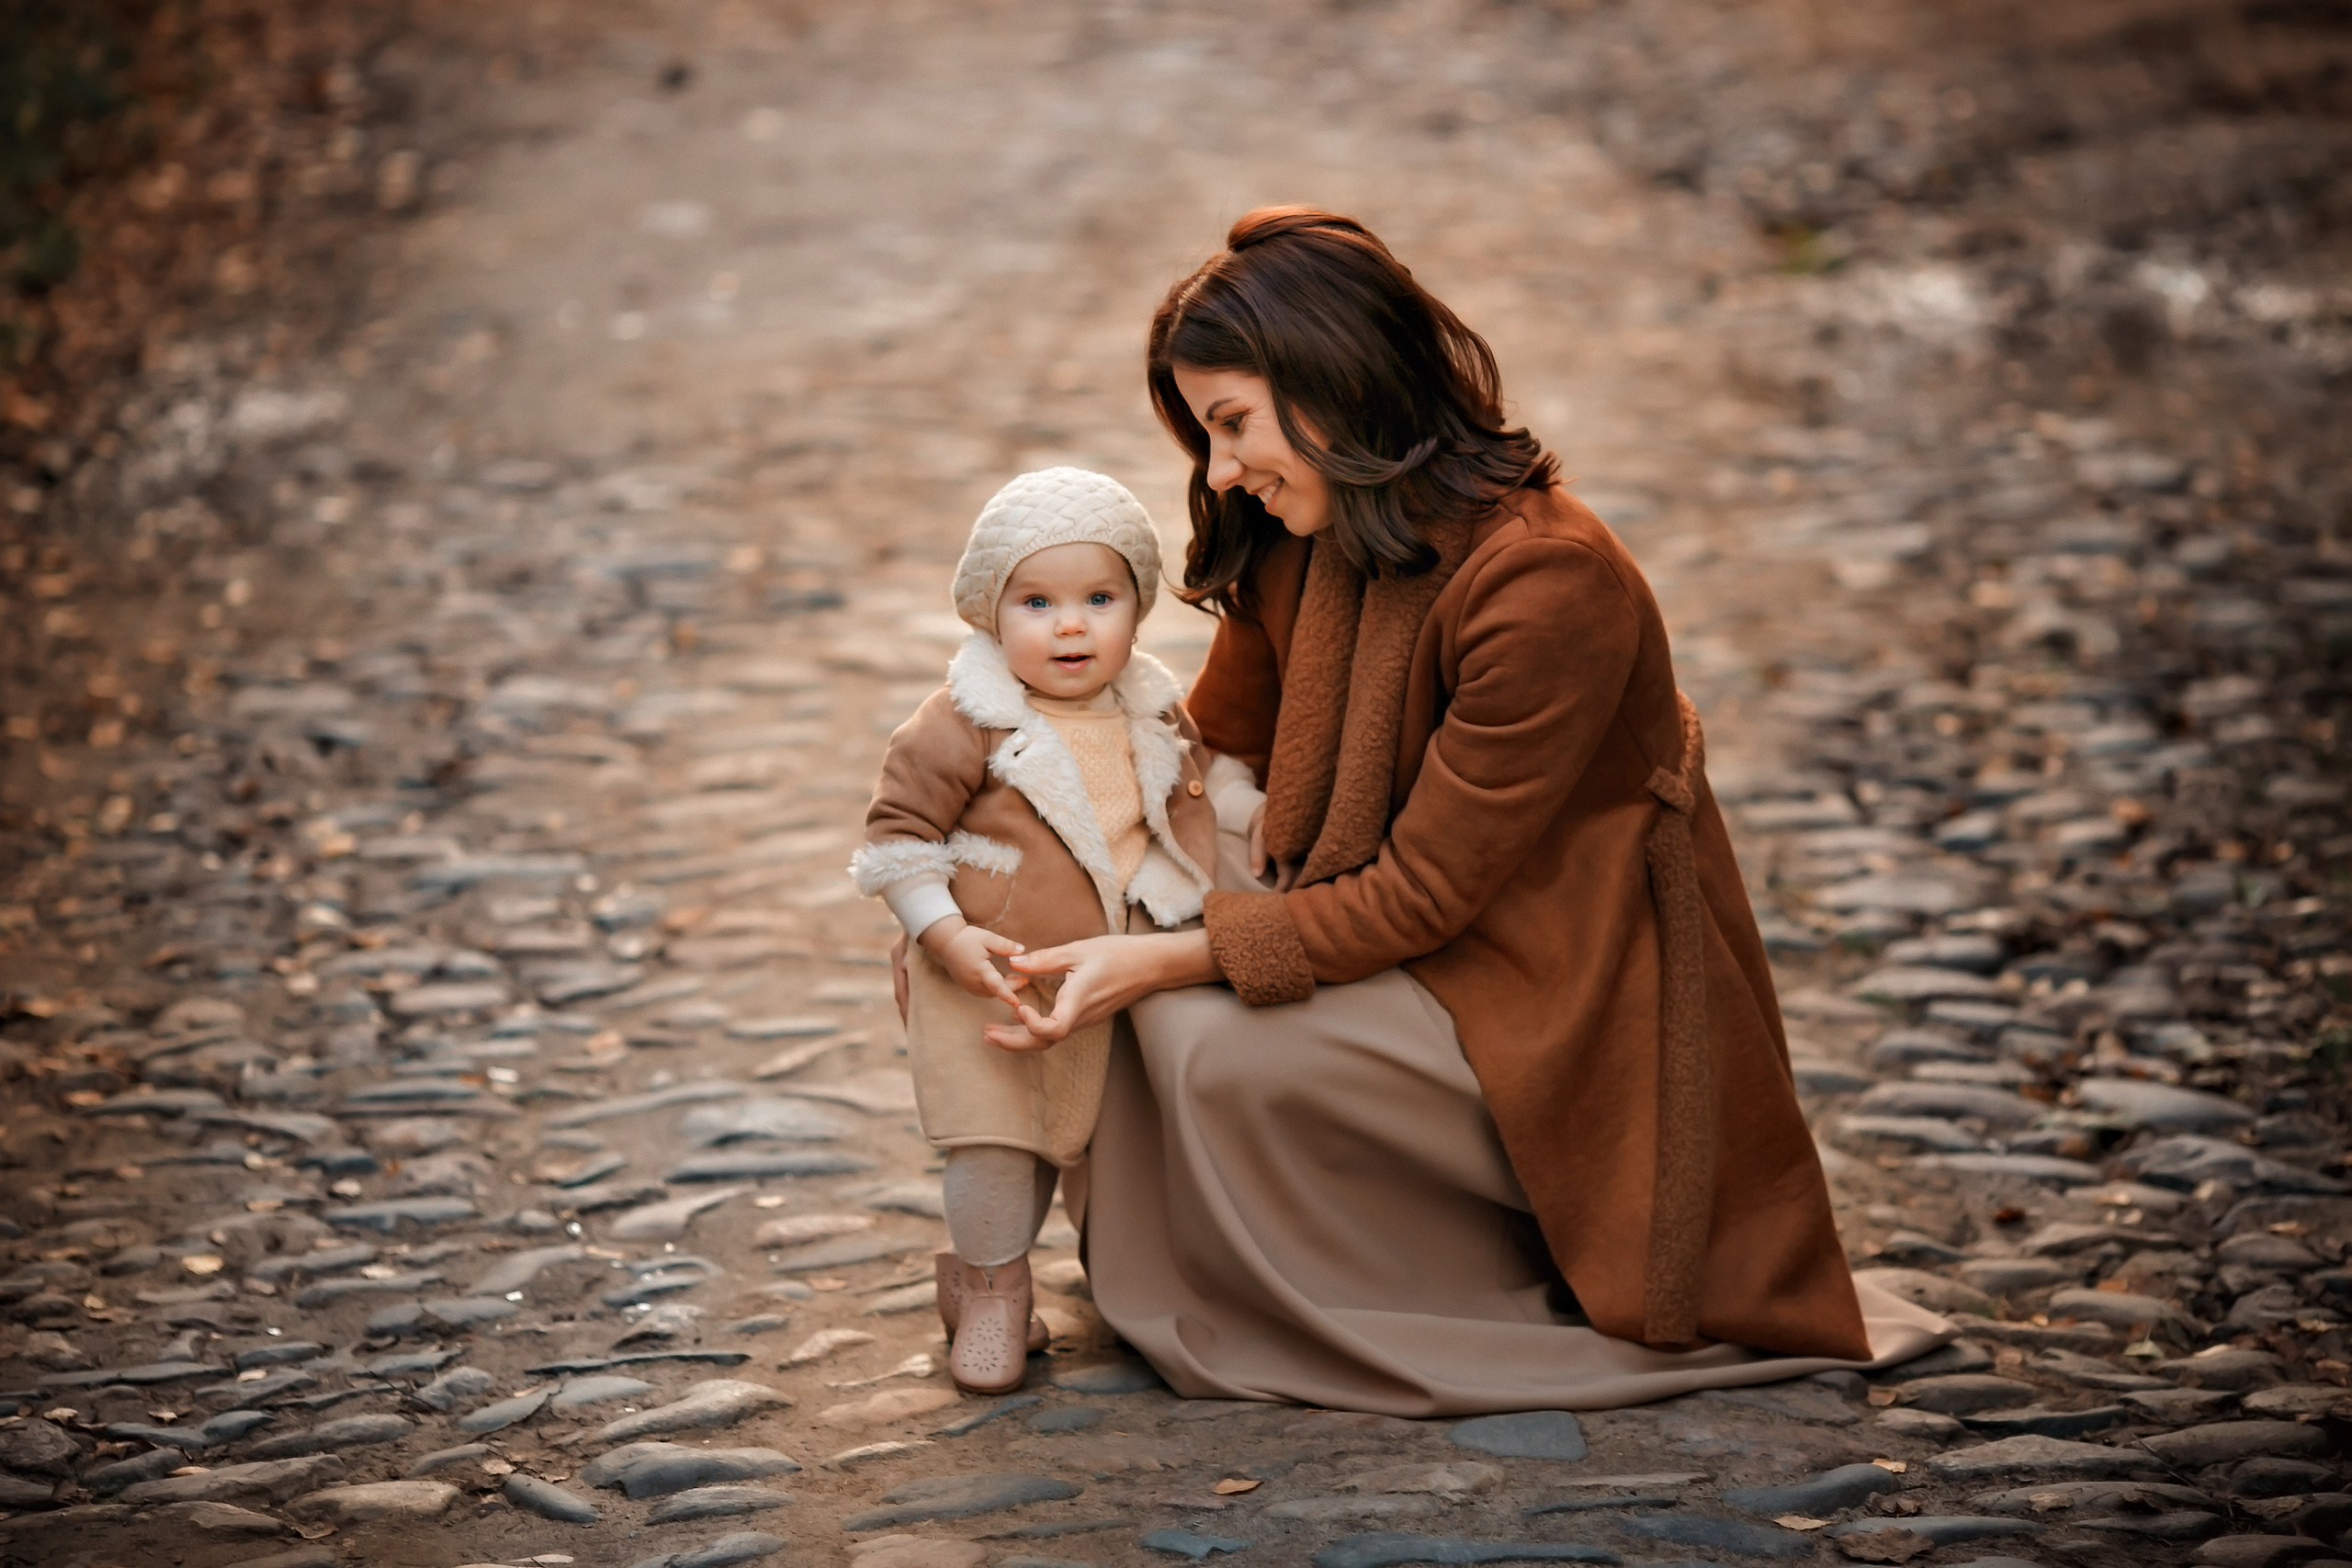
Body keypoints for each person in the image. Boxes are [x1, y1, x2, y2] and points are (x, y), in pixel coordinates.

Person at [974, 208, 1951, 1414]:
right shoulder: (1299, 534)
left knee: (1190, 1031)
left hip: (1550, 986)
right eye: (1206, 434)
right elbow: (1205, 750)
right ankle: (1004, 1259)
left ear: (1335, 380)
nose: (1221, 469)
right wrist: (998, 867)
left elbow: (1427, 895)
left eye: (1232, 423)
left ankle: (1375, 1284)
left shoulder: (1549, 576)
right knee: (1021, 870)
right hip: (1376, 910)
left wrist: (1164, 956)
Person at [851, 466, 1221, 1394]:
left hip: (1108, 977)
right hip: (990, 975)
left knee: (1094, 1145)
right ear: (988, 610)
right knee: (994, 1141)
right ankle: (990, 1291)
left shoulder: (1154, 714)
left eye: (1099, 598)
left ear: (1136, 609)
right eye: (1036, 601)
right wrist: (942, 934)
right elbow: (897, 839)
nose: (1069, 625)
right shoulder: (963, 723)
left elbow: (1190, 815)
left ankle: (1124, 1280)